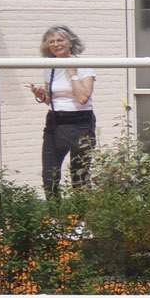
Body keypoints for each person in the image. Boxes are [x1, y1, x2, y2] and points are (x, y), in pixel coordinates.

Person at [28, 27, 98, 196]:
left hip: (80, 121)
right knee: (49, 174)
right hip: (55, 121)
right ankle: (55, 217)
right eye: (51, 41)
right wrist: (40, 96)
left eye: (60, 40)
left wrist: (72, 71)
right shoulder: (49, 67)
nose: (56, 44)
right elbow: (51, 101)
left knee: (79, 174)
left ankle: (83, 219)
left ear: (70, 42)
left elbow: (82, 97)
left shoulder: (83, 65)